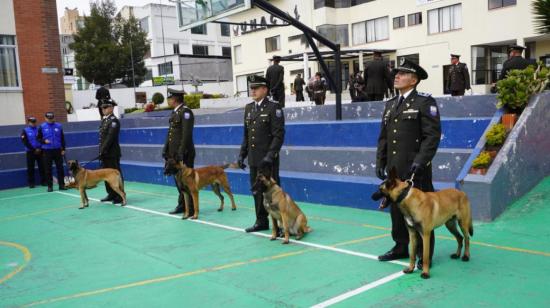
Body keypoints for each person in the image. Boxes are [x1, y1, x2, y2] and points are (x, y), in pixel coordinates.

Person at [375, 58, 441, 270]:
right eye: (396, 73)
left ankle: (424, 253)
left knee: (421, 214)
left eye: (402, 74)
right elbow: (384, 137)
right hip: (395, 169)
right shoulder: (390, 104)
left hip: (415, 169)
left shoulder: (424, 102)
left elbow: (432, 136)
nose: (396, 76)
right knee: (397, 211)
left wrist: (421, 162)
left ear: (414, 80)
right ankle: (401, 246)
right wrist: (380, 161)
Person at [238, 75, 285, 232]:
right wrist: (241, 155)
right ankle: (261, 221)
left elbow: (278, 135)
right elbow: (247, 134)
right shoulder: (249, 108)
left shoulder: (274, 108)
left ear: (265, 89)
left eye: (256, 88)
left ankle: (279, 224)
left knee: (273, 193)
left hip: (267, 161)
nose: (253, 91)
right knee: (257, 192)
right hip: (253, 159)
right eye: (251, 88)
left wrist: (270, 156)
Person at [162, 89, 196, 215]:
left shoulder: (186, 112)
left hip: (184, 153)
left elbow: (186, 134)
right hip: (174, 153)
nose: (169, 100)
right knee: (179, 182)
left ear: (175, 99)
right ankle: (183, 205)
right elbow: (170, 133)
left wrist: (181, 152)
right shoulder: (175, 112)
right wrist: (165, 149)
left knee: (187, 182)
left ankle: (191, 208)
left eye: (169, 98)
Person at [98, 100, 124, 204]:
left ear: (112, 108)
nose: (103, 110)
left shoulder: (114, 121)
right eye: (102, 108)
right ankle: (111, 194)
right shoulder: (105, 120)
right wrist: (102, 151)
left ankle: (119, 195)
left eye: (106, 107)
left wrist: (102, 150)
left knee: (115, 174)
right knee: (105, 175)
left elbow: (110, 137)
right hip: (105, 153)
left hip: (112, 153)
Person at [37, 112, 67, 192]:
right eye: (49, 119)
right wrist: (44, 141)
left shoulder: (59, 126)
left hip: (57, 150)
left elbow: (62, 139)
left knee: (60, 168)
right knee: (48, 169)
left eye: (52, 118)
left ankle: (62, 185)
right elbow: (38, 138)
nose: (50, 120)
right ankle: (50, 186)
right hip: (47, 150)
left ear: (54, 118)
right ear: (45, 118)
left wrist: (63, 149)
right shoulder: (42, 127)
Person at [20, 116, 45, 188]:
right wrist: (34, 150)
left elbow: (43, 139)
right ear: (29, 122)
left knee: (42, 167)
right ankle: (31, 183)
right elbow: (25, 142)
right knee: (30, 168)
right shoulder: (25, 130)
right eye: (32, 122)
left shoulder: (39, 129)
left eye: (34, 122)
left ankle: (44, 181)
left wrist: (40, 148)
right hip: (30, 152)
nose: (33, 123)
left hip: (40, 150)